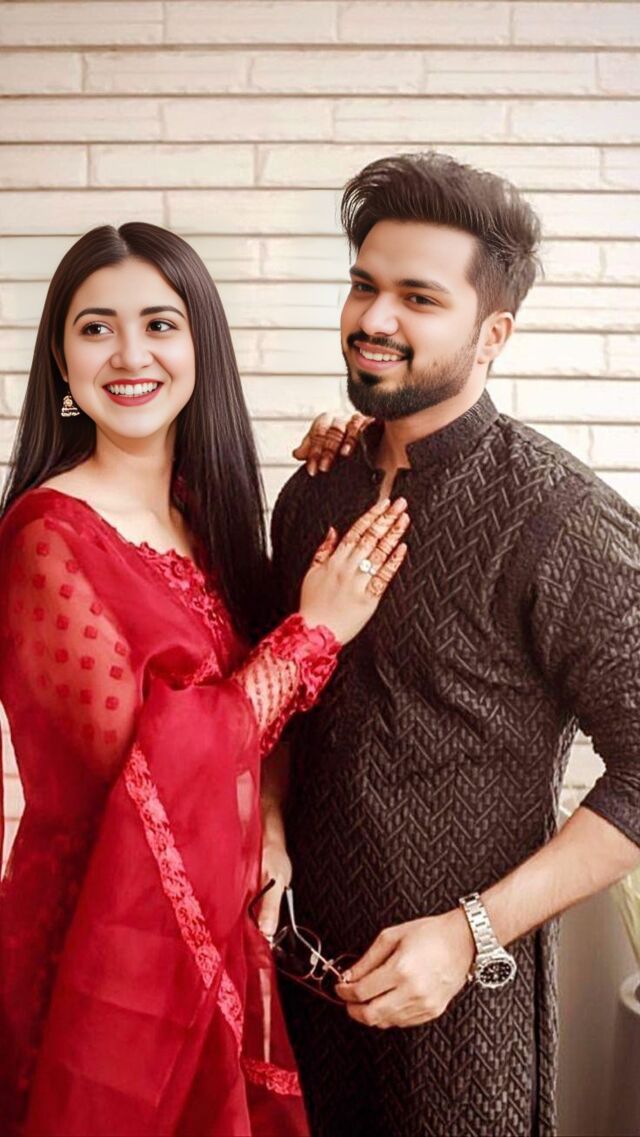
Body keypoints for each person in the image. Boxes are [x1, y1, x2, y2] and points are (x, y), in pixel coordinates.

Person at [0, 221, 410, 1137]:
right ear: (60, 360)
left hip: (214, 932)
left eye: (160, 324)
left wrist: (269, 817)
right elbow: (141, 768)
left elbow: (234, 726)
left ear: (201, 347)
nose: (129, 354)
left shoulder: (203, 515)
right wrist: (314, 635)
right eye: (96, 328)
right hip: (100, 951)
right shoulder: (45, 535)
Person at [262, 153, 640, 1137]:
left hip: (462, 1023)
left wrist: (470, 936)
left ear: (492, 332)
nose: (374, 318)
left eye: (418, 297)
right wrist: (264, 829)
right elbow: (282, 705)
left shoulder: (560, 516)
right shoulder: (311, 492)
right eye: (363, 285)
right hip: (291, 993)